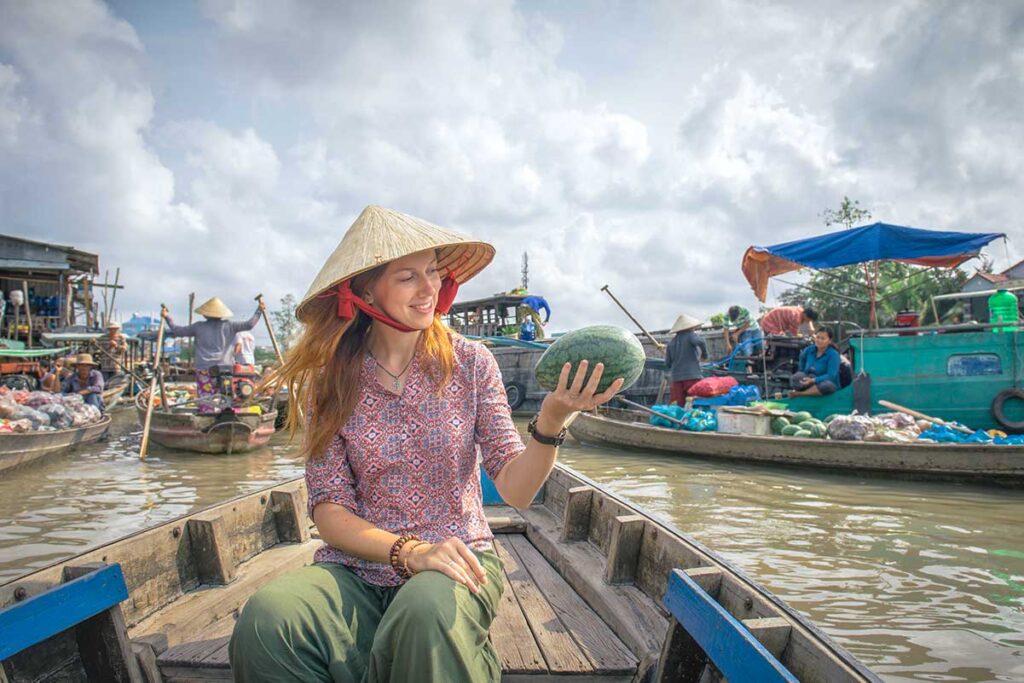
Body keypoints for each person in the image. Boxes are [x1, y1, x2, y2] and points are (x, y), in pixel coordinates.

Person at [228, 205, 623, 683]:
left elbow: (517, 491)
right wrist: (408, 552)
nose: (429, 288)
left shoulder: (471, 363)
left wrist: (553, 419)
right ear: (366, 290)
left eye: (434, 272)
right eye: (407, 277)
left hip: (456, 563)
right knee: (268, 619)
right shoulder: (330, 382)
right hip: (356, 570)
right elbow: (329, 510)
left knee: (424, 611)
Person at [162, 297, 263, 412]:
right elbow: (250, 324)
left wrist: (167, 317)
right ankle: (228, 416)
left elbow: (177, 330)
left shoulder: (198, 326)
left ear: (205, 315)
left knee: (206, 398)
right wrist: (259, 310)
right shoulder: (230, 325)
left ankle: (207, 416)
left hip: (204, 369)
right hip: (225, 369)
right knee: (226, 396)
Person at [664, 313, 707, 405]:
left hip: (676, 379)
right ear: (691, 327)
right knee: (695, 404)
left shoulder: (671, 343)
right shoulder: (691, 335)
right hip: (692, 378)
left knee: (677, 406)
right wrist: (704, 355)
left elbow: (667, 363)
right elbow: (701, 342)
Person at [789, 327, 842, 396]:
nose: (819, 340)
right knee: (796, 377)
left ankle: (801, 394)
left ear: (829, 341)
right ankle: (807, 392)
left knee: (826, 386)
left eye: (822, 338)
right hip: (809, 380)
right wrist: (803, 375)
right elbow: (802, 359)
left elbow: (831, 375)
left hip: (825, 383)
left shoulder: (833, 355)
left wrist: (813, 380)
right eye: (817, 337)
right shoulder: (809, 350)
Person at [723, 305, 763, 372]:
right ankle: (750, 372)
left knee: (760, 346)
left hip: (755, 328)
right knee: (747, 351)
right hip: (745, 331)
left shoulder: (744, 311)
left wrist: (737, 334)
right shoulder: (726, 316)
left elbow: (748, 324)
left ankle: (763, 368)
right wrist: (728, 344)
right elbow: (726, 329)